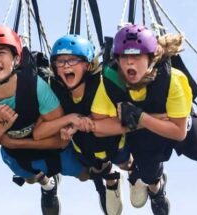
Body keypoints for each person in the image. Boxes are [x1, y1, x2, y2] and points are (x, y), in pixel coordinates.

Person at [90, 24, 197, 215]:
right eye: (124, 57)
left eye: (137, 56)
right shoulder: (110, 82)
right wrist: (137, 124)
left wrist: (140, 118)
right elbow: (97, 127)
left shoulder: (173, 79)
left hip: (177, 124)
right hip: (144, 132)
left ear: (150, 57)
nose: (130, 62)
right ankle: (157, 190)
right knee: (148, 172)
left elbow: (178, 132)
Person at [0, 25, 89, 215]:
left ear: (16, 58)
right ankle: (48, 186)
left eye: (2, 52)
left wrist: (12, 141)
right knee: (30, 178)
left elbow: (62, 141)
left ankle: (106, 179)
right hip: (17, 157)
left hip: (51, 147)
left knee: (85, 174)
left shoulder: (36, 88)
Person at [37, 34, 132, 215]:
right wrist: (65, 124)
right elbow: (41, 129)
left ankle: (133, 178)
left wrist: (86, 122)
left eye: (72, 60)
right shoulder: (55, 89)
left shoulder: (103, 83)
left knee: (126, 162)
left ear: (88, 65)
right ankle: (104, 182)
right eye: (60, 62)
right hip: (83, 148)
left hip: (113, 143)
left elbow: (125, 119)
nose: (66, 66)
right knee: (87, 173)